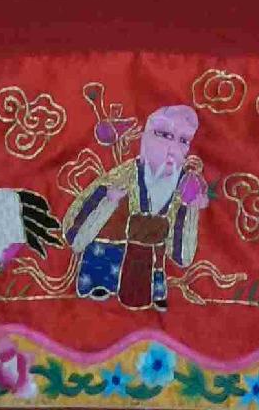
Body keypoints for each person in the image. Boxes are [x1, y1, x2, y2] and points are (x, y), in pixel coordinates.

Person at [67, 101, 208, 303]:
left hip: (150, 267)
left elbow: (181, 255)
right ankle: (101, 285)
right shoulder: (123, 176)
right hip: (108, 258)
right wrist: (109, 201)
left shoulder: (183, 185)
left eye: (183, 140)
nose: (173, 148)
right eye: (165, 135)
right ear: (146, 137)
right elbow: (76, 231)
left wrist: (191, 209)